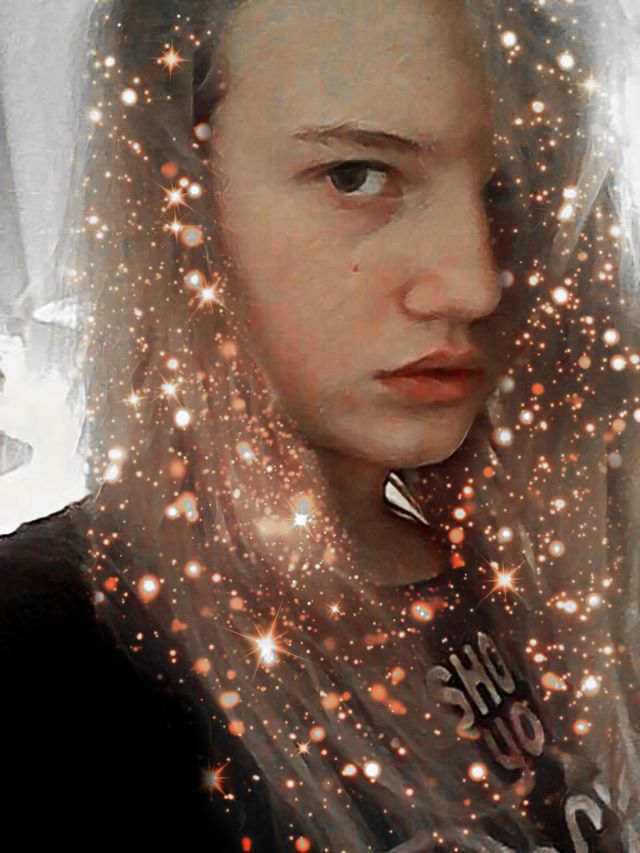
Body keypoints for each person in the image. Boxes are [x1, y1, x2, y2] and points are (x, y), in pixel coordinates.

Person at [2, 0, 639, 850]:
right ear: (173, 204)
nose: (475, 283)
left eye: (509, 187)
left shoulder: (536, 578)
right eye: (356, 176)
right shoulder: (50, 647)